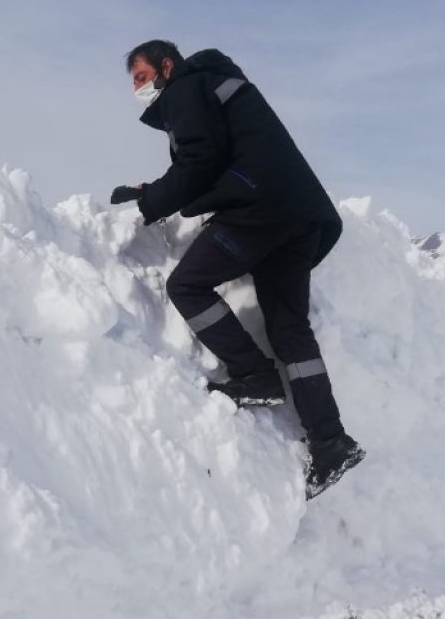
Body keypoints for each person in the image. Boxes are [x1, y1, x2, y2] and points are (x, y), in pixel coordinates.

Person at [111, 39, 364, 499]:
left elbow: (199, 160)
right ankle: (331, 442)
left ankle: (255, 374)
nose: (139, 89)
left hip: (259, 210)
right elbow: (210, 158)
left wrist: (152, 203)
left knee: (187, 284)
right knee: (290, 329)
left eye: (142, 77)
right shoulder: (217, 84)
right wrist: (159, 188)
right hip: (299, 215)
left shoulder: (187, 88)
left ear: (167, 66)